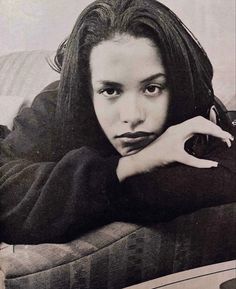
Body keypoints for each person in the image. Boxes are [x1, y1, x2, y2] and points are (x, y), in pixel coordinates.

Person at [0, 0, 235, 244]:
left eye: (152, 88)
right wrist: (131, 165)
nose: (132, 116)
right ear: (87, 89)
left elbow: (227, 175)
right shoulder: (57, 105)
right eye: (110, 91)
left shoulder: (196, 108)